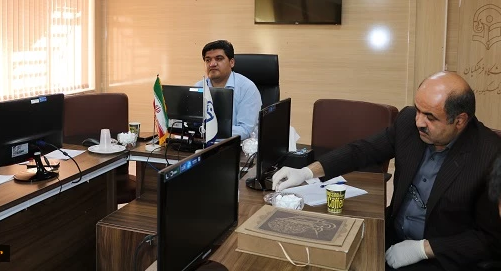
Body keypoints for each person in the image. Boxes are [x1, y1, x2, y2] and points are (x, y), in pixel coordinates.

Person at [273, 72, 501, 271]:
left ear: (459, 121)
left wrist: (423, 249)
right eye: (418, 110)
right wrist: (306, 172)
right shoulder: (408, 122)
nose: (419, 122)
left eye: (430, 117)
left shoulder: (490, 155)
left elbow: (490, 239)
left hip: (440, 258)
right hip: (391, 234)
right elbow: (362, 150)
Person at [195, 40, 262, 140]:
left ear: (232, 62)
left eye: (219, 59)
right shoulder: (199, 87)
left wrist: (210, 130)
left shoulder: (247, 88)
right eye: (208, 60)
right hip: (204, 143)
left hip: (239, 145)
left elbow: (245, 130)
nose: (212, 64)